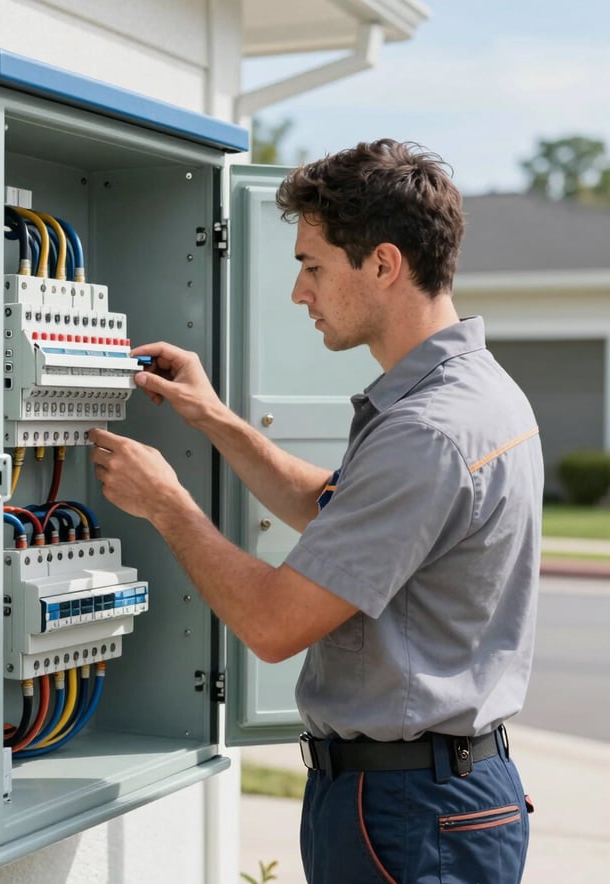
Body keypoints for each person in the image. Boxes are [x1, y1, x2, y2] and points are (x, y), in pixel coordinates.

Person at [88, 139, 543, 883]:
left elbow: (273, 625)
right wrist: (217, 421)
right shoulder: (478, 395)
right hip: (437, 796)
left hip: (408, 809)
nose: (301, 292)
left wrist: (167, 504)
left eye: (312, 266)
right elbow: (336, 516)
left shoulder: (426, 431)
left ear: (385, 265)